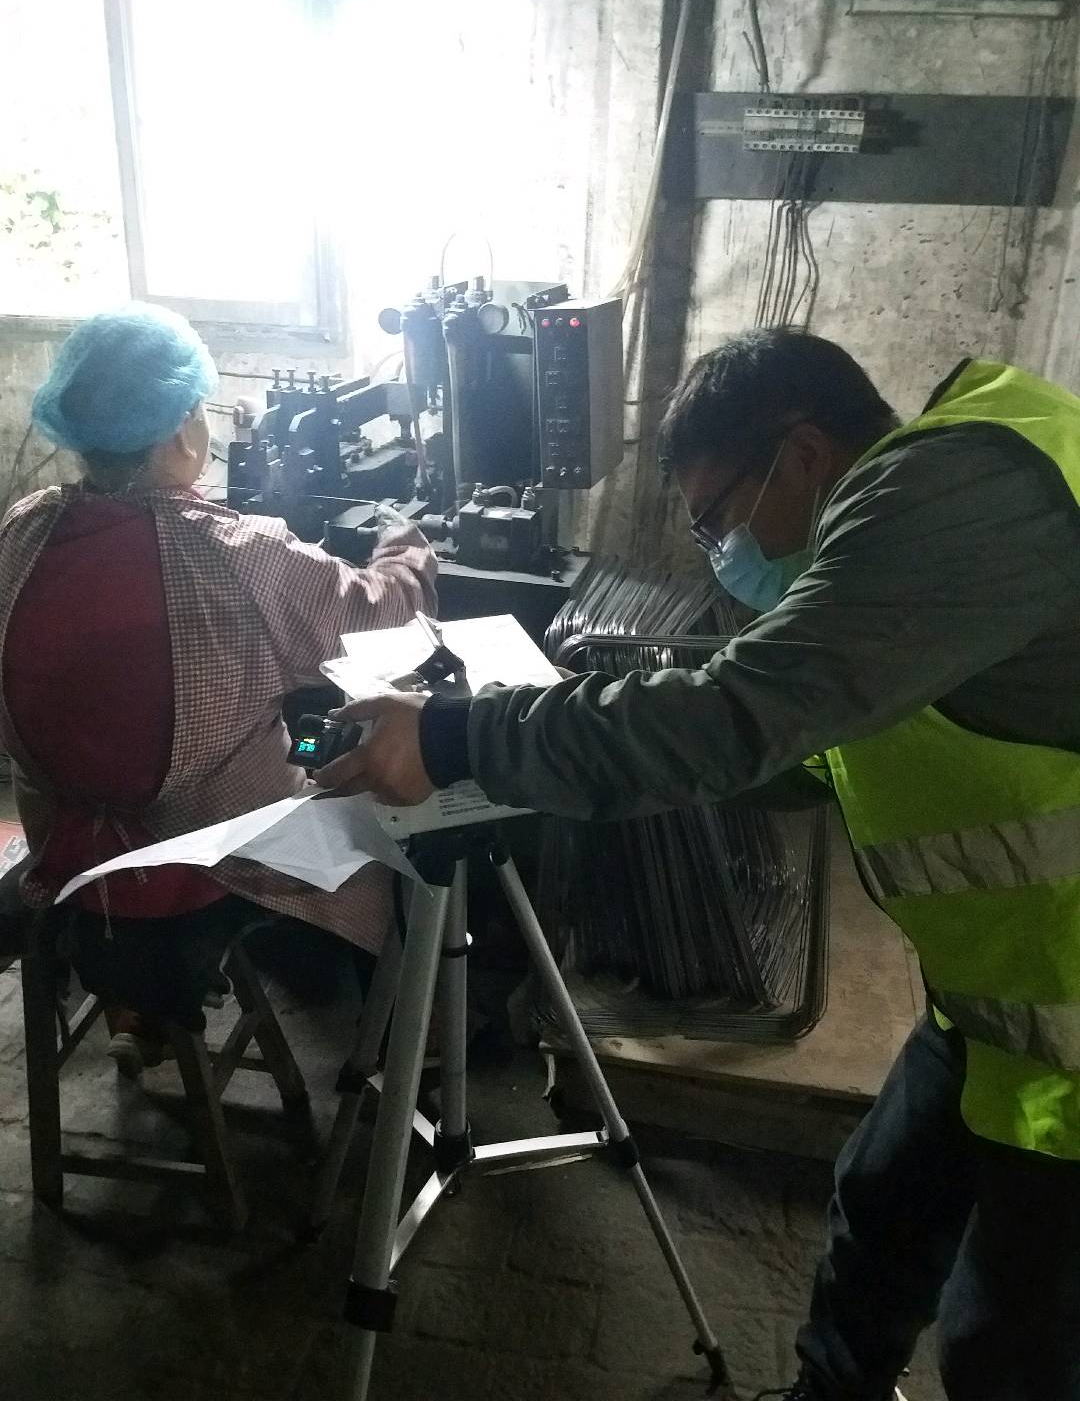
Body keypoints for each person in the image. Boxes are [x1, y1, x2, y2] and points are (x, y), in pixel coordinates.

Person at [316, 328, 1080, 1401]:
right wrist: (588, 754)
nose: (721, 553)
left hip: (1067, 1036)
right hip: (999, 1001)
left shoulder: (954, 497)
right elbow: (800, 752)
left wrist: (456, 738)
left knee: (1011, 1344)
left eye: (718, 518)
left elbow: (735, 719)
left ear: (803, 455)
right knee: (882, 1211)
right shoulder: (929, 542)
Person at [0, 303, 435, 1073]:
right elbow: (382, 613)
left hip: (60, 834)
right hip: (203, 850)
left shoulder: (24, 527)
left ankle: (140, 1009)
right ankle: (405, 1053)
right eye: (199, 408)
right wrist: (405, 544)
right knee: (385, 809)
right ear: (179, 432)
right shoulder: (233, 552)